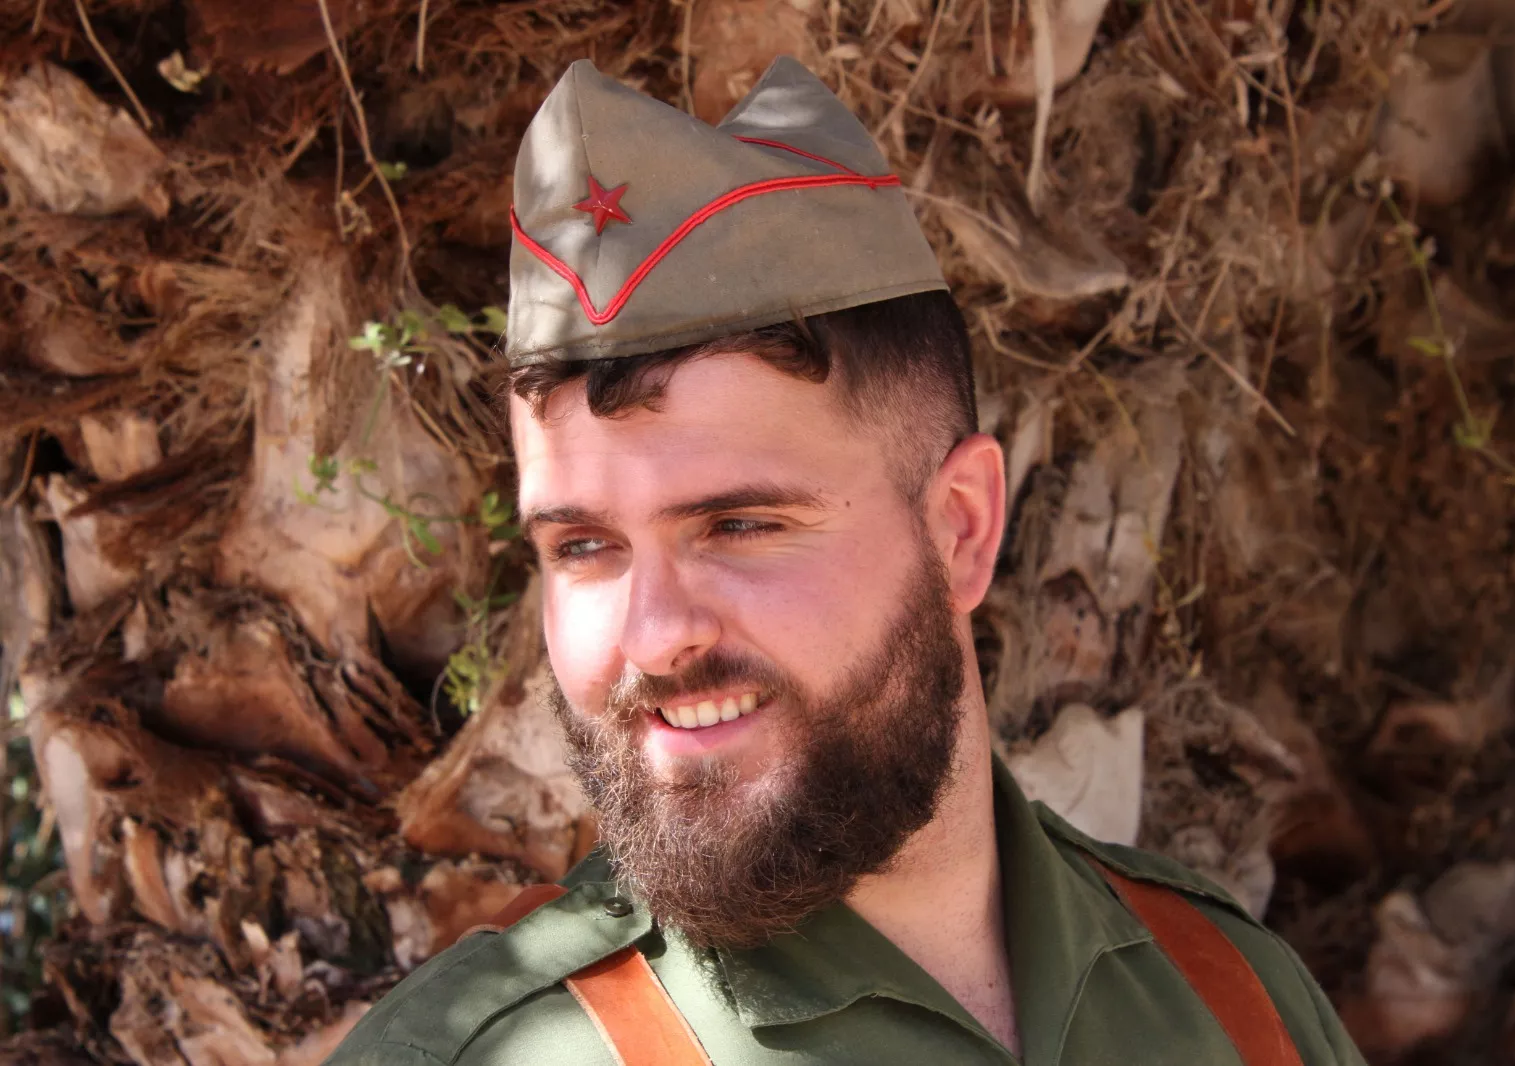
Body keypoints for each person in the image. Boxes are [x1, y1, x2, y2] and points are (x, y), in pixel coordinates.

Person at [326, 57, 1366, 1066]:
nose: (653, 633)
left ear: (960, 527)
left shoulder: (1233, 996)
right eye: (585, 546)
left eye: (739, 525)